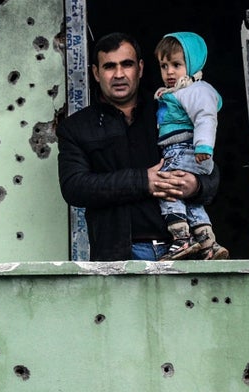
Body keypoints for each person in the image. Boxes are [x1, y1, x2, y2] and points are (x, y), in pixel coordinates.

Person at [57, 32, 221, 261]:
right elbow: (74, 187)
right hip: (120, 255)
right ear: (96, 73)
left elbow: (210, 171)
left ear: (141, 68)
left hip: (184, 251)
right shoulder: (76, 128)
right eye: (109, 67)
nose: (119, 74)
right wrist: (143, 181)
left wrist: (195, 185)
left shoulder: (168, 112)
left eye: (127, 64)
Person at [153, 32, 229, 261]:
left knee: (167, 188)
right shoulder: (177, 92)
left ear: (192, 63)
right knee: (190, 200)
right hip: (182, 150)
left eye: (177, 64)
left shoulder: (196, 90)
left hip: (185, 150)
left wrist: (203, 147)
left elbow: (206, 117)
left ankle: (180, 240)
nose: (169, 72)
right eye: (164, 66)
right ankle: (208, 243)